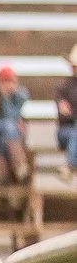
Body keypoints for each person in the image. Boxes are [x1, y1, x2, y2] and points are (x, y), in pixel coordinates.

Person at [0, 63, 30, 187]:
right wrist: (3, 98)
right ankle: (20, 166)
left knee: (5, 140)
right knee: (9, 127)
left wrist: (9, 97)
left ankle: (3, 178)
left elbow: (14, 115)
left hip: (9, 136)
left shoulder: (18, 96)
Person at [55, 46, 77, 180]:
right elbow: (64, 115)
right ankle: (70, 164)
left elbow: (68, 112)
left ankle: (69, 165)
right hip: (66, 133)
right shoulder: (63, 88)